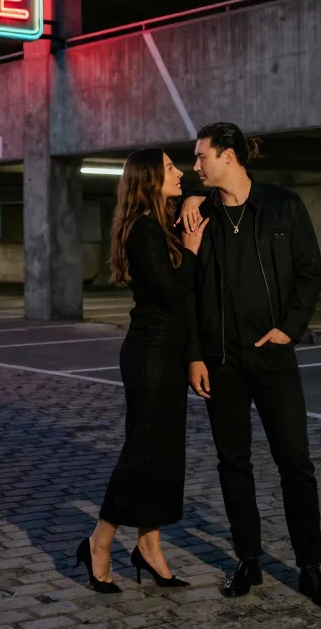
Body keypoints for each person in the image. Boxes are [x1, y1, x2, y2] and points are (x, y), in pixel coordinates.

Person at [179, 122, 321, 610]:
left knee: (295, 462)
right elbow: (187, 292)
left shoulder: (283, 206)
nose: (196, 165)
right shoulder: (197, 215)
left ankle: (310, 567)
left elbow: (310, 271)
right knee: (234, 464)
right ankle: (247, 559)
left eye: (201, 156)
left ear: (228, 155)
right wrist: (193, 355)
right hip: (221, 363)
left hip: (273, 358)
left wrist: (291, 327)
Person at [76, 148, 209, 593]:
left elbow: (205, 192)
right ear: (150, 179)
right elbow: (173, 294)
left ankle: (149, 546)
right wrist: (191, 251)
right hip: (149, 354)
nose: (182, 172)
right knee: (141, 453)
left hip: (168, 353)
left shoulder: (162, 223)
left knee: (164, 453)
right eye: (171, 168)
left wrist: (191, 199)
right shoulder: (143, 230)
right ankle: (99, 542)